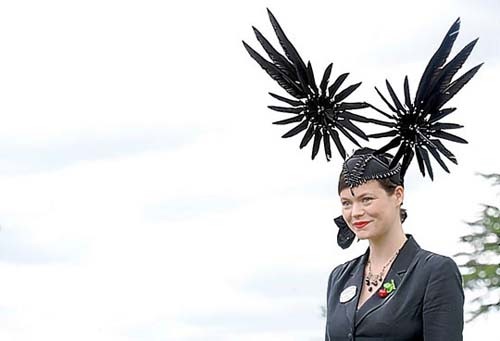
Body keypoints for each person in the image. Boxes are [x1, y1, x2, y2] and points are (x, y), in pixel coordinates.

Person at [324, 148, 464, 340]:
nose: (355, 212)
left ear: (398, 195)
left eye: (366, 199)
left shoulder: (434, 271)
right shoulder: (340, 277)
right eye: (347, 203)